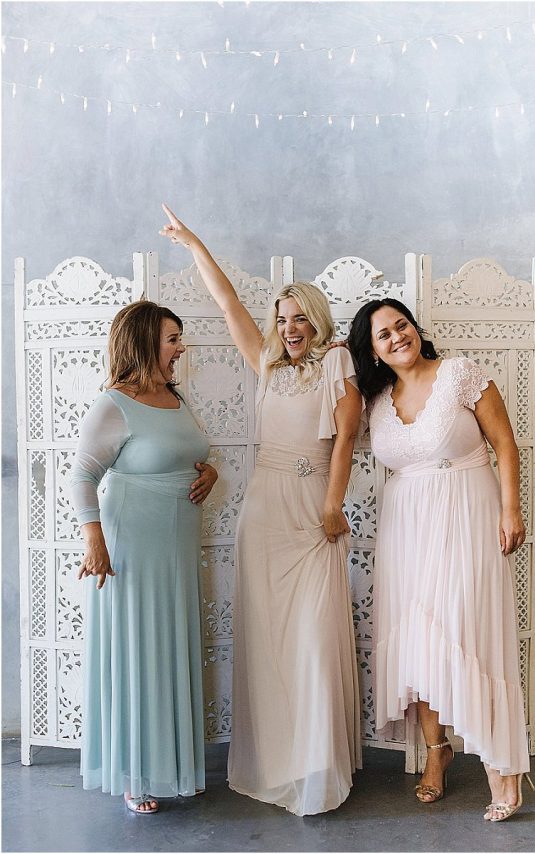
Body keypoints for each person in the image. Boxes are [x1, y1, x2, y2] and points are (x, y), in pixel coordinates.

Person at [159, 204, 363, 816]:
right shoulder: (268, 366)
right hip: (264, 514)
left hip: (312, 514)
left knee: (313, 642)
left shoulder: (338, 363)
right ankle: (277, 762)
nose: (290, 328)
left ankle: (317, 765)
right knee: (269, 644)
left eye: (300, 318)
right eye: (282, 319)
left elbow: (345, 441)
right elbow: (227, 303)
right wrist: (194, 243)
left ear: (317, 321)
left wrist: (333, 505)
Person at [347, 298, 532, 823]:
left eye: (401, 325)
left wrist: (511, 509)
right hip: (405, 529)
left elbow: (505, 444)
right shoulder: (375, 400)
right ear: (373, 351)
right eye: (383, 335)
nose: (397, 337)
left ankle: (502, 768)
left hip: (468, 514)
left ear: (415, 327)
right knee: (418, 638)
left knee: (470, 632)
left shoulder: (459, 373)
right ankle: (436, 752)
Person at [70, 301, 218, 815]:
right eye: (173, 338)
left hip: (176, 549)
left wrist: (210, 473)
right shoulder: (113, 403)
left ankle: (170, 766)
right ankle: (135, 773)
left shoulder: (175, 397)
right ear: (144, 341)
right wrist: (95, 541)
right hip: (130, 545)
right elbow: (81, 476)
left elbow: (187, 455)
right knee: (138, 651)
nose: (181, 348)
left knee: (169, 649)